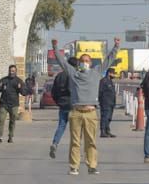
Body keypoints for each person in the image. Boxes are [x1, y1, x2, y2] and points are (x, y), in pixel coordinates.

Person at [54, 38, 119, 175]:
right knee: (75, 142)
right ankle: (74, 167)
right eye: (82, 61)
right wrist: (55, 47)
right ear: (79, 63)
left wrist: (116, 46)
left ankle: (92, 166)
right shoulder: (74, 74)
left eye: (87, 61)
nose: (85, 62)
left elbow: (109, 60)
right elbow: (62, 62)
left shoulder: (96, 72)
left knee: (91, 141)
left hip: (91, 112)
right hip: (76, 112)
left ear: (91, 63)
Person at [0, 64, 29, 143]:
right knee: (1, 119)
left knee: (12, 120)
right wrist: (0, 87)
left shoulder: (19, 81)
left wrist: (20, 88)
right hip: (4, 104)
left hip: (14, 104)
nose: (11, 72)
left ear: (16, 72)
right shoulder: (3, 80)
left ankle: (10, 136)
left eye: (13, 71)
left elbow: (24, 93)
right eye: (10, 71)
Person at [49, 53, 75, 158]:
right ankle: (75, 148)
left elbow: (53, 91)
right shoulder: (74, 75)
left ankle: (55, 143)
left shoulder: (59, 76)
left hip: (62, 104)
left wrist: (58, 102)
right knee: (75, 128)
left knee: (61, 126)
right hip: (73, 105)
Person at [98, 67, 117, 137]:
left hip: (111, 102)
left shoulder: (110, 81)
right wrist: (100, 101)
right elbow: (100, 92)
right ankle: (103, 131)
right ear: (109, 73)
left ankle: (107, 130)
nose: (114, 75)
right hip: (105, 102)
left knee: (109, 117)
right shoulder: (103, 81)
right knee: (104, 117)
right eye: (113, 74)